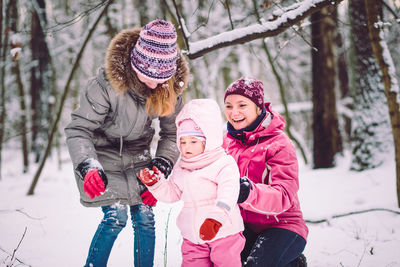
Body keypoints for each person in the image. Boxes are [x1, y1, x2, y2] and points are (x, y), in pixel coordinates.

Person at [64, 19, 189, 267]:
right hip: (103, 159)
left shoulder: (169, 88)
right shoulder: (106, 86)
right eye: (148, 77)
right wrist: (88, 166)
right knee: (116, 216)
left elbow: (173, 133)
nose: (154, 84)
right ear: (135, 65)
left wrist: (162, 165)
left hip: (140, 161)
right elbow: (79, 129)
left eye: (160, 79)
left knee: (145, 217)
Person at [138, 99, 245, 267]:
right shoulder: (182, 166)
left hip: (224, 233)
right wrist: (156, 184)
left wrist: (215, 219)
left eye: (193, 141)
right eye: (182, 141)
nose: (187, 147)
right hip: (192, 237)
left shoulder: (223, 163)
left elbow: (229, 194)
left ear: (208, 139)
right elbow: (173, 193)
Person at [222, 77, 308, 267]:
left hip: (282, 225)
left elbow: (285, 195)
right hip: (243, 226)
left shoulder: (279, 144)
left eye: (242, 105)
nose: (234, 112)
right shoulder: (226, 143)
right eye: (229, 106)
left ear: (259, 108)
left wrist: (249, 192)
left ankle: (290, 258)